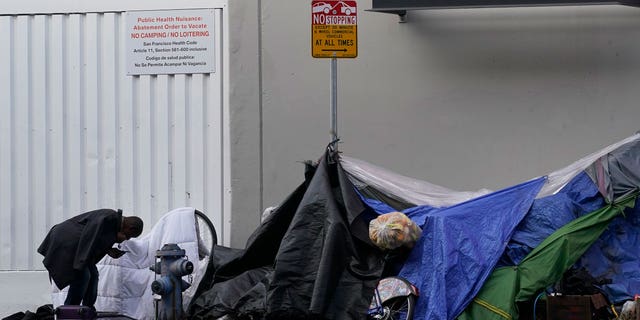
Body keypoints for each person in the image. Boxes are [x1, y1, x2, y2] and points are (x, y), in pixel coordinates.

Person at [37, 208, 144, 308]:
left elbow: (96, 240)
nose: (127, 238)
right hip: (66, 242)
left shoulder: (113, 223)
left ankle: (87, 309)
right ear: (130, 228)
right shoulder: (109, 218)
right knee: (83, 277)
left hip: (77, 247)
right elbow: (89, 236)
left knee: (93, 275)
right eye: (129, 236)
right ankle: (70, 312)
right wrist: (81, 265)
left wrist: (108, 249)